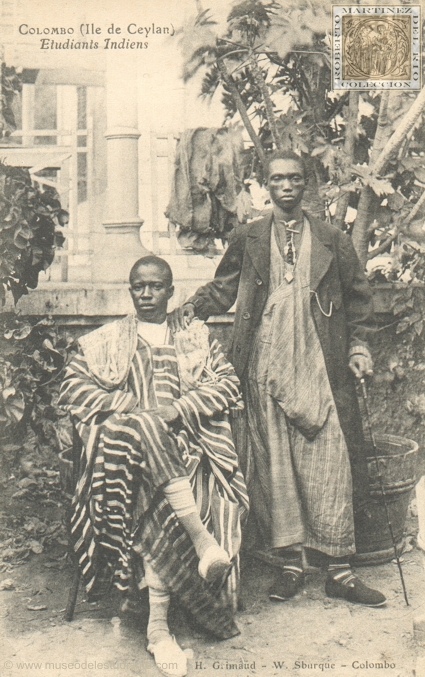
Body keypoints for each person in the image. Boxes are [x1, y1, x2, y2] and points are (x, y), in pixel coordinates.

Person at [170, 150, 386, 608]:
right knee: (276, 466)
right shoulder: (248, 236)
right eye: (276, 179)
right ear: (264, 186)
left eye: (294, 178)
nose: (286, 186)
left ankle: (340, 571)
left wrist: (359, 348)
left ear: (307, 184)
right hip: (264, 364)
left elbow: (360, 302)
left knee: (330, 461)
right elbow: (224, 287)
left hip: (318, 364)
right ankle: (290, 564)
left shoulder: (332, 238)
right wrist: (189, 308)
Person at [58, 256, 249, 677]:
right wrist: (123, 403)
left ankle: (157, 627)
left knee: (157, 479)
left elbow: (228, 383)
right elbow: (72, 386)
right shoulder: (106, 340)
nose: (146, 294)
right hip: (123, 446)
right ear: (130, 291)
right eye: (138, 287)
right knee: (142, 427)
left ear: (171, 290)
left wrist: (180, 408)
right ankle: (201, 548)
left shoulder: (196, 338)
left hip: (187, 444)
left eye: (155, 286)